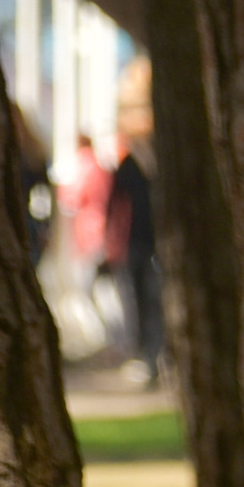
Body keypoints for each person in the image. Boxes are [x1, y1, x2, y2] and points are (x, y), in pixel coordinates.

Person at [104, 126, 164, 380]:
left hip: (157, 242)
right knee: (138, 299)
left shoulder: (161, 161)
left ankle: (155, 352)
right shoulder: (129, 165)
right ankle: (145, 355)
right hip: (136, 243)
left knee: (154, 299)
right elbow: (113, 206)